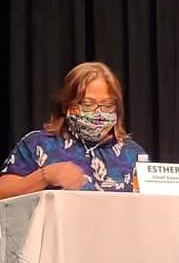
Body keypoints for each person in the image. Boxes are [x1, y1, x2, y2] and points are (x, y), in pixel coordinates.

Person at [0, 62, 147, 197]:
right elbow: (3, 192)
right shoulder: (37, 144)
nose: (98, 112)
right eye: (87, 104)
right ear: (66, 105)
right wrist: (44, 177)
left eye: (107, 105)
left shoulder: (134, 154)